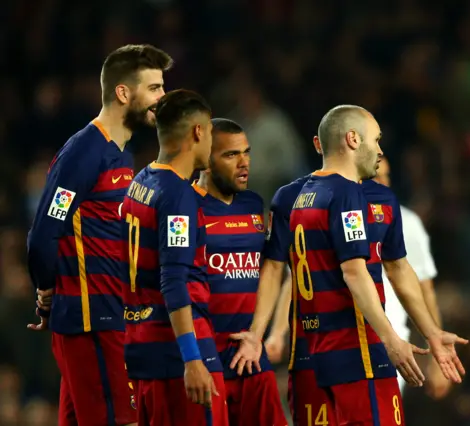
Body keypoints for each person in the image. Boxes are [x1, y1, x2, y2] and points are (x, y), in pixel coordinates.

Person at [232, 105, 467, 425]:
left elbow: (397, 267)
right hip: (359, 352)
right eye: (376, 139)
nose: (381, 150)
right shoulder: (348, 194)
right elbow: (353, 270)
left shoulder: (298, 196)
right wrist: (390, 339)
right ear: (354, 139)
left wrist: (432, 333)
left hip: (311, 355)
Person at [26, 44, 173, 426]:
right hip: (91, 320)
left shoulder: (121, 154)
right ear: (124, 93)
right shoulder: (83, 152)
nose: (162, 97)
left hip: (106, 316)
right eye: (154, 88)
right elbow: (45, 230)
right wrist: (45, 292)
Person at [121, 89, 228, 426]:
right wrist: (193, 359)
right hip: (178, 350)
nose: (211, 140)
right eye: (210, 130)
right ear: (198, 132)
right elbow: (174, 280)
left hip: (141, 345)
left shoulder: (140, 182)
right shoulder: (176, 196)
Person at [193, 118, 287, 426]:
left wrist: (257, 335)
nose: (244, 162)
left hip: (250, 357)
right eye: (231, 155)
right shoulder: (185, 207)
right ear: (205, 158)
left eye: (246, 152)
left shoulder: (253, 204)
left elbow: (271, 271)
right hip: (206, 360)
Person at [373, 157, 451, 399]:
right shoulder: (340, 218)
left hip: (394, 347)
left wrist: (438, 354)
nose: (382, 183)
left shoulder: (407, 223)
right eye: (375, 176)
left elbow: (425, 292)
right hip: (346, 346)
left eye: (386, 176)